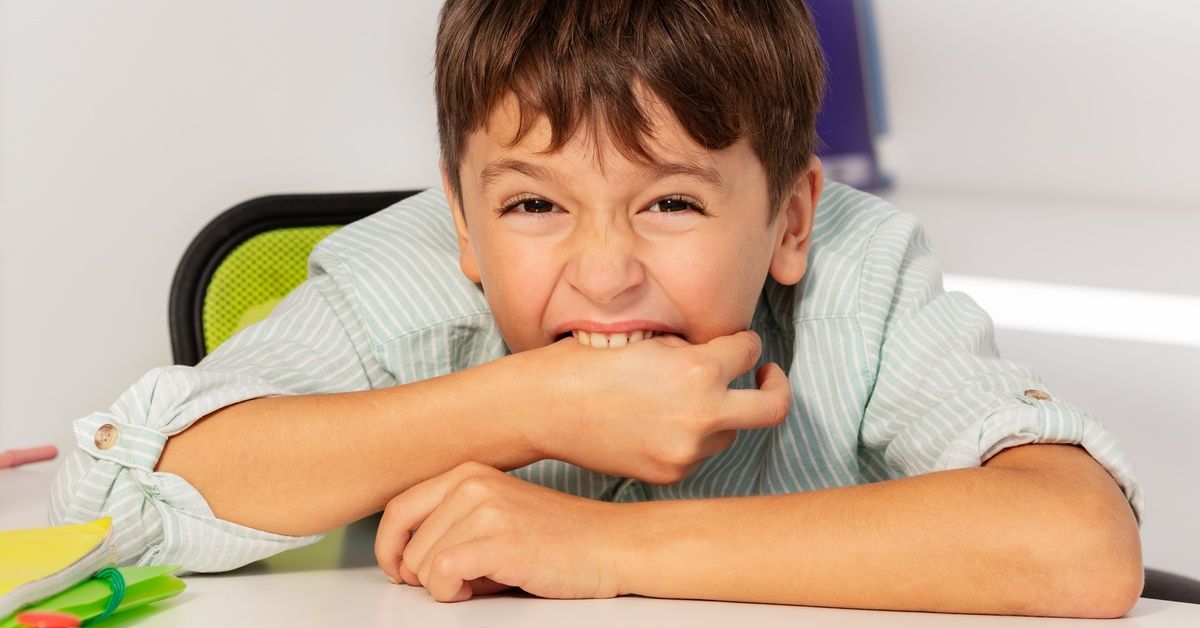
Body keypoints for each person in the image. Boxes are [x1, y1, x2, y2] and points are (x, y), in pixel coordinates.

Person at [50, 0, 1143, 617]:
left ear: (793, 219)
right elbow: (112, 489)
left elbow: (1077, 543)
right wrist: (524, 403)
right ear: (466, 225)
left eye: (670, 200)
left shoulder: (861, 271)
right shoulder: (411, 278)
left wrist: (606, 541)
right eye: (534, 203)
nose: (606, 269)